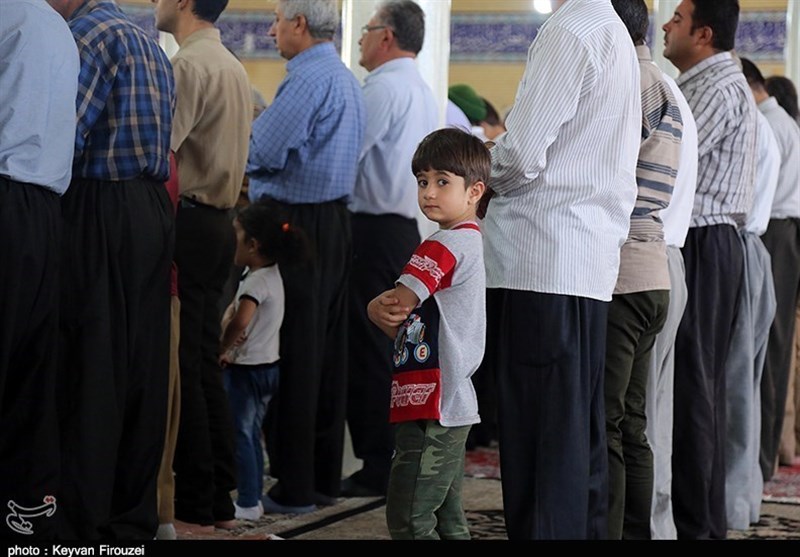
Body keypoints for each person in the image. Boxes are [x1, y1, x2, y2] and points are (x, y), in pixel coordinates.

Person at [479, 0, 641, 540]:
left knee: (541, 447)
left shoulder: (570, 28)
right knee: (575, 446)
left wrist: (476, 168)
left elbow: (522, 156)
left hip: (542, 262)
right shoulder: (611, 28)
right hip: (582, 263)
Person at [48, 0, 175, 540]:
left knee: (91, 363)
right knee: (140, 367)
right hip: (151, 209)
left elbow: (64, 137)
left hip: (98, 206)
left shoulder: (83, 37)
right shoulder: (148, 41)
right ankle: (131, 517)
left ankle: (81, 518)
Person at [246, 0, 365, 513]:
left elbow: (264, 149)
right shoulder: (342, 75)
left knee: (294, 352)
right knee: (323, 355)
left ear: (299, 24)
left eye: (276, 20)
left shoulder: (309, 77)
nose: (271, 30)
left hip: (300, 224)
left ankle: (293, 486)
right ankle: (318, 478)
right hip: (333, 222)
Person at [153, 0, 253, 534]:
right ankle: (217, 491)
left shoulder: (188, 66)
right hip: (221, 225)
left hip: (189, 223)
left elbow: (160, 152)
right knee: (201, 358)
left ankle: (192, 494)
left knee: (182, 361)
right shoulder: (232, 65)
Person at [662, 0, 757, 539]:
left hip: (705, 241)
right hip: (703, 240)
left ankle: (698, 527)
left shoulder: (714, 87)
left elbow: (665, 164)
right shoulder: (703, 83)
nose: (667, 26)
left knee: (696, 389)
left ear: (703, 32)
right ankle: (699, 522)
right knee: (695, 389)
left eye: (677, 18)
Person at [367, 127, 489, 540]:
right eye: (422, 181)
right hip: (449, 399)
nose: (429, 193)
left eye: (442, 182)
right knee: (446, 517)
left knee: (409, 515)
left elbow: (396, 308)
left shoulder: (442, 247)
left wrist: (372, 307)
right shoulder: (470, 242)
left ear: (474, 191)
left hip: (434, 401)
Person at [343, 0, 438, 499]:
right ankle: (393, 457)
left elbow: (348, 152)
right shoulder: (421, 88)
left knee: (368, 348)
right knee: (392, 348)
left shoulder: (383, 86)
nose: (360, 38)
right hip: (402, 229)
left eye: (366, 29)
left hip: (373, 230)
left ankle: (378, 462)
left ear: (386, 36)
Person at [0, 0, 78, 541]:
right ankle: (24, 516)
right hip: (47, 211)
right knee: (30, 371)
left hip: (5, 193)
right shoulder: (59, 28)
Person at [606, 0, 682, 539]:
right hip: (652, 268)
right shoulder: (657, 79)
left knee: (610, 423)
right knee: (633, 421)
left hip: (626, 270)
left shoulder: (629, 80)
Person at [219, 201, 310, 522]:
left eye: (237, 234)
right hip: (268, 367)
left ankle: (246, 502)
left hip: (248, 371)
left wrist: (223, 346)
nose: (233, 240)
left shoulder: (256, 282)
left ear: (253, 245)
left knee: (242, 434)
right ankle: (253, 493)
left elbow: (241, 320)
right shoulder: (268, 273)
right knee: (252, 432)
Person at [721, 67, 779, 528]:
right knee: (741, 385)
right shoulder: (756, 122)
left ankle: (731, 505)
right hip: (750, 250)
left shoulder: (748, 122)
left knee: (735, 387)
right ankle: (739, 501)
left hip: (739, 247)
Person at [644, 70, 699, 541]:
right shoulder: (669, 88)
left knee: (637, 415)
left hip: (647, 256)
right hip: (668, 256)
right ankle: (656, 525)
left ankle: (642, 526)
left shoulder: (643, 88)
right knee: (654, 410)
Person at [754, 70, 800, 477]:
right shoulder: (785, 123)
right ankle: (766, 455)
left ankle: (762, 457)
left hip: (774, 233)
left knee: (768, 346)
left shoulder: (769, 125)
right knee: (777, 346)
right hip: (785, 234)